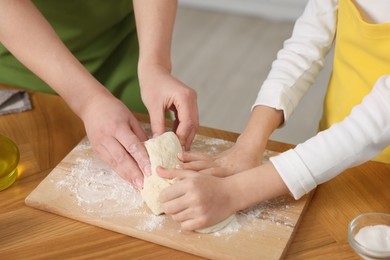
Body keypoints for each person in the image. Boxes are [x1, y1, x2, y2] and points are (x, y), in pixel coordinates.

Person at [156, 0, 390, 231]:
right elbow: (305, 47)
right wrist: (248, 145)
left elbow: (378, 120)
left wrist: (234, 192)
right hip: (332, 152)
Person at [0, 0, 199, 189]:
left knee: (145, 149)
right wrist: (88, 100)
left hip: (120, 43)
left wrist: (155, 66)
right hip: (24, 58)